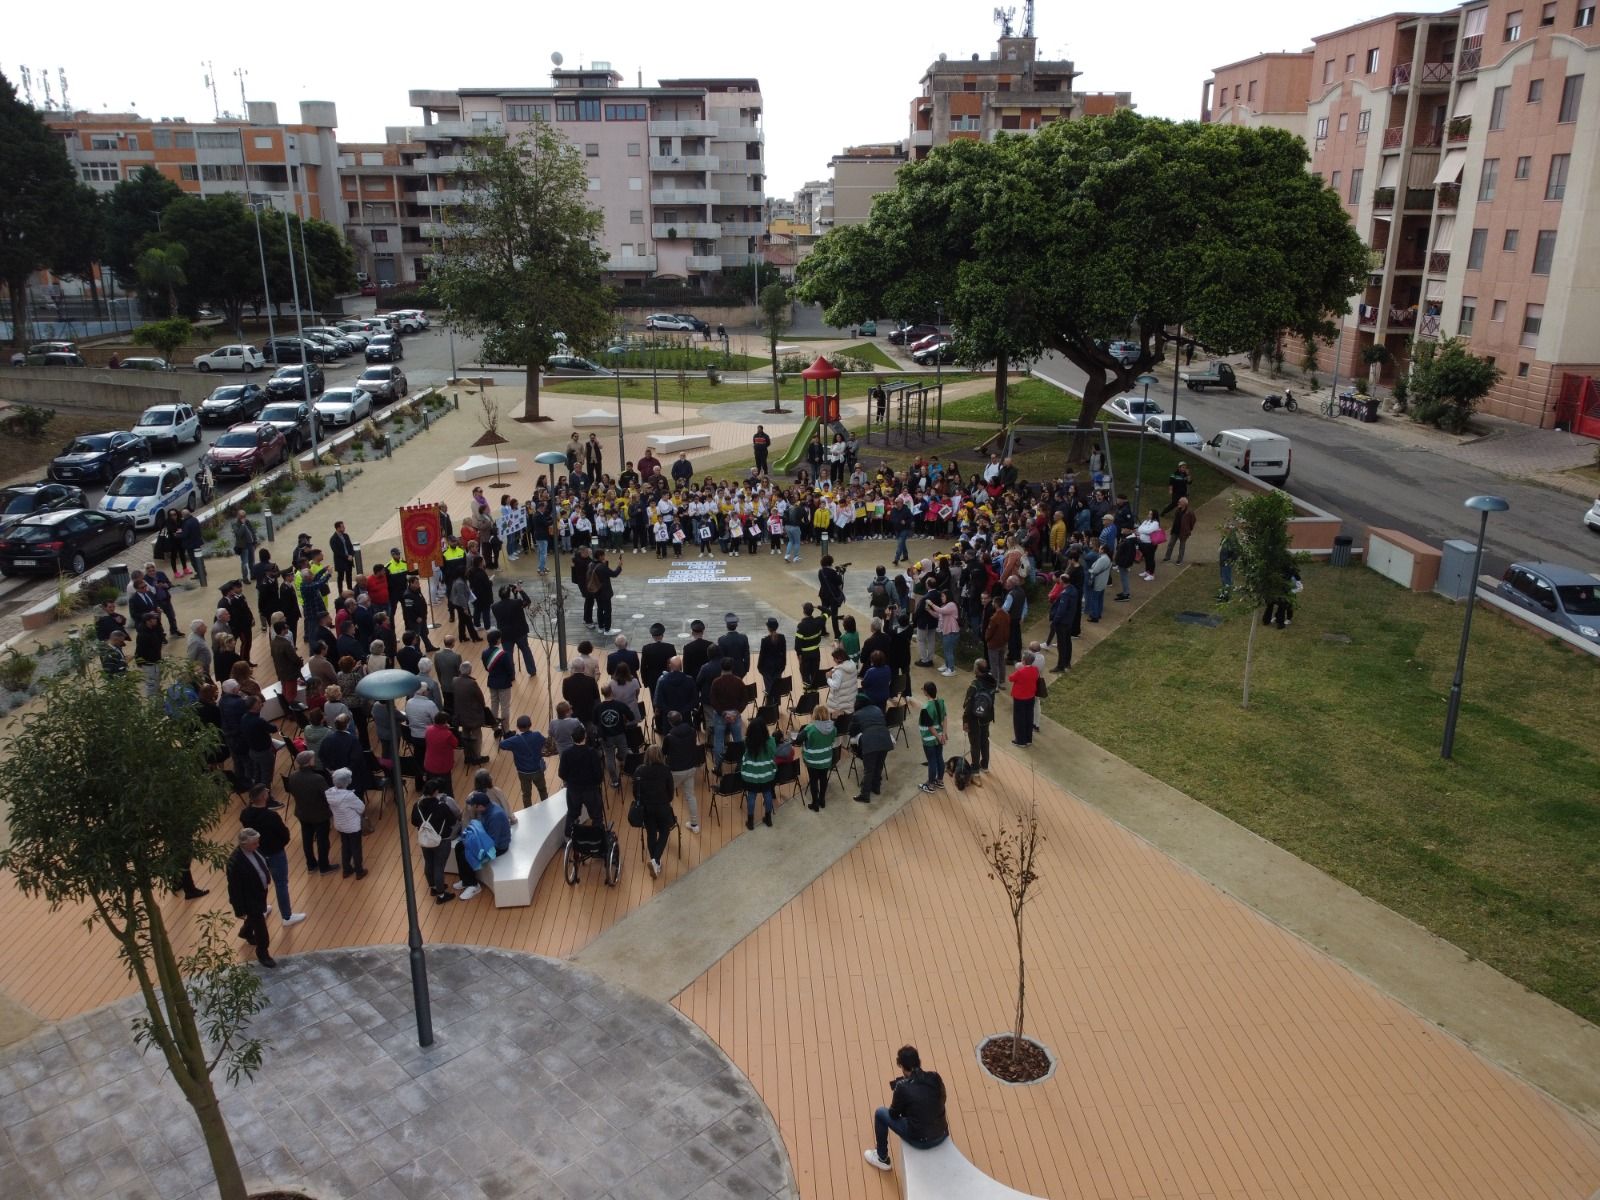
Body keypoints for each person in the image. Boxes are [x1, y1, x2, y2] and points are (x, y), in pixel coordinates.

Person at [864, 1045, 948, 1172]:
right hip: (942, 1133)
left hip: (920, 1140)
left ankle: (882, 1158)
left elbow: (893, 1114)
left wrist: (903, 1099)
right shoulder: (935, 1077)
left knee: (880, 1113)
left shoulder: (902, 1087)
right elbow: (943, 1098)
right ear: (918, 1061)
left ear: (901, 1066)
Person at [240, 784, 306, 926]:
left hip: (256, 854)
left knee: (260, 882)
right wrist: (281, 843)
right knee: (281, 884)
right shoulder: (271, 816)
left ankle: (262, 910)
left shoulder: (245, 814)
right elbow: (284, 834)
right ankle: (287, 916)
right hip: (275, 853)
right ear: (264, 797)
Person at [226, 828, 276, 968]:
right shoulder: (235, 862)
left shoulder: (253, 850)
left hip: (260, 892)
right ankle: (263, 953)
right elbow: (234, 888)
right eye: (254, 843)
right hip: (249, 898)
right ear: (244, 844)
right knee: (260, 926)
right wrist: (239, 909)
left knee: (255, 917)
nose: (258, 845)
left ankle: (245, 932)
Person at [285, 751, 336, 873]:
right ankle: (324, 866)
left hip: (302, 813)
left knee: (307, 839)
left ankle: (311, 865)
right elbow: (327, 795)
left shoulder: (292, 776)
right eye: (313, 759)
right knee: (322, 841)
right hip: (320, 814)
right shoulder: (317, 778)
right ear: (309, 762)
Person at [453, 791, 508, 902]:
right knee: (459, 846)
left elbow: (494, 841)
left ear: (481, 806)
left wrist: (474, 843)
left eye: (473, 805)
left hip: (498, 847)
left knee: (466, 854)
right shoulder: (486, 810)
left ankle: (473, 885)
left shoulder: (495, 816)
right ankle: (465, 880)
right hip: (485, 839)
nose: (471, 807)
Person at [412, 781, 462, 904]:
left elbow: (414, 821)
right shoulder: (442, 806)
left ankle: (433, 887)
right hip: (441, 840)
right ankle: (441, 895)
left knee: (428, 863)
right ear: (435, 792)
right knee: (439, 867)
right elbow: (452, 821)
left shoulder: (417, 805)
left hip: (425, 839)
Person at [634, 745, 677, 878]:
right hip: (663, 807)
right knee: (665, 831)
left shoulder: (639, 770)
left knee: (651, 833)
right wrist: (667, 800)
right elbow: (671, 791)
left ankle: (655, 862)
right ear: (660, 755)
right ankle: (655, 860)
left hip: (647, 809)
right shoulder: (665, 770)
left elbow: (635, 792)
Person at [558, 724, 606, 838]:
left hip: (573, 790)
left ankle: (569, 836)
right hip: (590, 790)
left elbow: (562, 773)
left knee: (572, 813)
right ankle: (597, 839)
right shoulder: (592, 753)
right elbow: (598, 774)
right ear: (585, 737)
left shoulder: (566, 754)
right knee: (596, 816)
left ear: (572, 738)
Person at [498, 715, 549, 809]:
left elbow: (502, 745)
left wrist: (513, 739)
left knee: (526, 794)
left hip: (523, 772)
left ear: (518, 727)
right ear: (530, 725)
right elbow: (545, 741)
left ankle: (528, 810)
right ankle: (545, 806)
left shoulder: (515, 740)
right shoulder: (537, 735)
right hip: (537, 770)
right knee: (542, 789)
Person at [663, 711, 702, 833]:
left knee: (666, 797)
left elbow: (664, 752)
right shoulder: (692, 731)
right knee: (690, 796)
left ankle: (666, 822)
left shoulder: (669, 737)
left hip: (675, 772)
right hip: (690, 768)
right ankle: (695, 825)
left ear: (670, 723)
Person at [851, 698, 893, 804]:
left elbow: (852, 731)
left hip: (870, 742)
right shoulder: (877, 709)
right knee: (879, 766)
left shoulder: (857, 715)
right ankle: (876, 787)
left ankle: (865, 795)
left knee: (868, 770)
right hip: (885, 739)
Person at [327, 767, 366, 878]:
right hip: (353, 826)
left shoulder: (330, 794)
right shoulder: (349, 796)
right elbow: (361, 808)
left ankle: (347, 869)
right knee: (356, 848)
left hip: (340, 825)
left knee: (345, 846)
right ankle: (359, 871)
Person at [740, 718, 778, 830]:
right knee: (767, 794)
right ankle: (768, 818)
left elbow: (743, 756)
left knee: (751, 796)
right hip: (767, 774)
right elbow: (773, 754)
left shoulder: (746, 741)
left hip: (751, 776)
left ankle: (750, 822)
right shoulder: (771, 741)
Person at [962, 660, 997, 774]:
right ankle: (985, 765)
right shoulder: (992, 681)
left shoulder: (975, 684)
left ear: (977, 669)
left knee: (975, 742)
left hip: (974, 718)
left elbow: (968, 704)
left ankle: (975, 768)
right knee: (984, 740)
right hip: (986, 715)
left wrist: (965, 720)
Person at [801, 704, 837, 811]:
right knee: (823, 778)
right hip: (826, 759)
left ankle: (815, 804)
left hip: (812, 760)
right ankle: (822, 800)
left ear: (814, 714)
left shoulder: (810, 728)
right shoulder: (833, 728)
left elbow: (798, 739)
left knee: (813, 781)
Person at [482, 630, 515, 738]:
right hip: (504, 683)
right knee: (505, 707)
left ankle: (495, 729)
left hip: (492, 682)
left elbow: (487, 668)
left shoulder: (484, 653)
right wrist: (511, 678)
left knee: (494, 706)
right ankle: (506, 730)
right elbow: (510, 669)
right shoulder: (503, 654)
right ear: (497, 640)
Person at [917, 680, 948, 792]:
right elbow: (945, 718)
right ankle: (940, 781)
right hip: (939, 735)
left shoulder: (926, 708)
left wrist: (938, 737)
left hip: (929, 739)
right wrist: (943, 734)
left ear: (926, 692)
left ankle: (930, 785)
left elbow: (929, 726)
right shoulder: (941, 702)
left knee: (932, 761)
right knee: (939, 758)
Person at [1008, 650, 1041, 747]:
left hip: (1020, 698)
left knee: (1019, 719)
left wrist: (1018, 669)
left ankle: (1021, 740)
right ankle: (1028, 739)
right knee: (1029, 717)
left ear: (1024, 661)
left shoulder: (1021, 671)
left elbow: (1011, 678)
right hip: (1030, 696)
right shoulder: (1035, 669)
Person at [1049, 578, 1079, 672]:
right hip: (1069, 621)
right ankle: (1067, 663)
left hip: (1062, 622)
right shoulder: (1073, 590)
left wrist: (1055, 621)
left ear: (1062, 582)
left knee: (1061, 645)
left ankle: (1060, 665)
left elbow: (1061, 610)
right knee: (1067, 642)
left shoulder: (1065, 594)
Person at [794, 603, 826, 690]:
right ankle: (815, 694)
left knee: (806, 676)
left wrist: (799, 655)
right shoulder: (819, 621)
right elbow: (828, 612)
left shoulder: (801, 626)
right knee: (815, 674)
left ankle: (808, 694)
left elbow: (797, 644)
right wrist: (818, 606)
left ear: (804, 611)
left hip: (805, 655)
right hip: (816, 652)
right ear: (812, 611)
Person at [825, 646, 860, 715]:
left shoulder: (839, 671)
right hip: (850, 699)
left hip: (839, 702)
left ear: (839, 659)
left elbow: (835, 686)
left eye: (834, 658)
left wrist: (828, 678)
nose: (833, 660)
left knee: (836, 720)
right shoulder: (852, 665)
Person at [817, 555, 846, 638]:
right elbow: (840, 585)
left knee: (824, 611)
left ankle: (822, 630)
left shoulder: (820, 571)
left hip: (823, 594)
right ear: (831, 562)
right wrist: (839, 574)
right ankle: (837, 634)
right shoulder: (833, 573)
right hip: (833, 596)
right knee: (834, 615)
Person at [1164, 496, 1196, 564]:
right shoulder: (1177, 510)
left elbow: (1193, 521)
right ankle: (1167, 557)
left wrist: (1188, 529)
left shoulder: (1189, 512)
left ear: (1184, 503)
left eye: (1179, 502)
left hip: (1183, 532)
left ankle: (1179, 560)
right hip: (1175, 530)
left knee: (1182, 546)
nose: (1178, 503)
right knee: (1170, 544)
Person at [231, 508, 259, 583]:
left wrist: (255, 541)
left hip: (250, 545)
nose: (244, 518)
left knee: (252, 561)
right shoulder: (235, 524)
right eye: (242, 516)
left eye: (244, 516)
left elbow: (252, 531)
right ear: (238, 516)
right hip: (243, 547)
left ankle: (253, 575)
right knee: (245, 563)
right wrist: (243, 525)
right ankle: (245, 578)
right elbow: (239, 534)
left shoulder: (247, 522)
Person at [330, 520, 356, 592]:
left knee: (349, 576)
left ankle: (350, 590)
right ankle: (340, 592)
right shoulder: (333, 539)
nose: (344, 528)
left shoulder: (346, 536)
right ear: (338, 528)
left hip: (349, 559)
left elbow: (350, 546)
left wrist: (351, 554)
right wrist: (347, 557)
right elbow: (336, 551)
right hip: (340, 561)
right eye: (342, 527)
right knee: (340, 577)